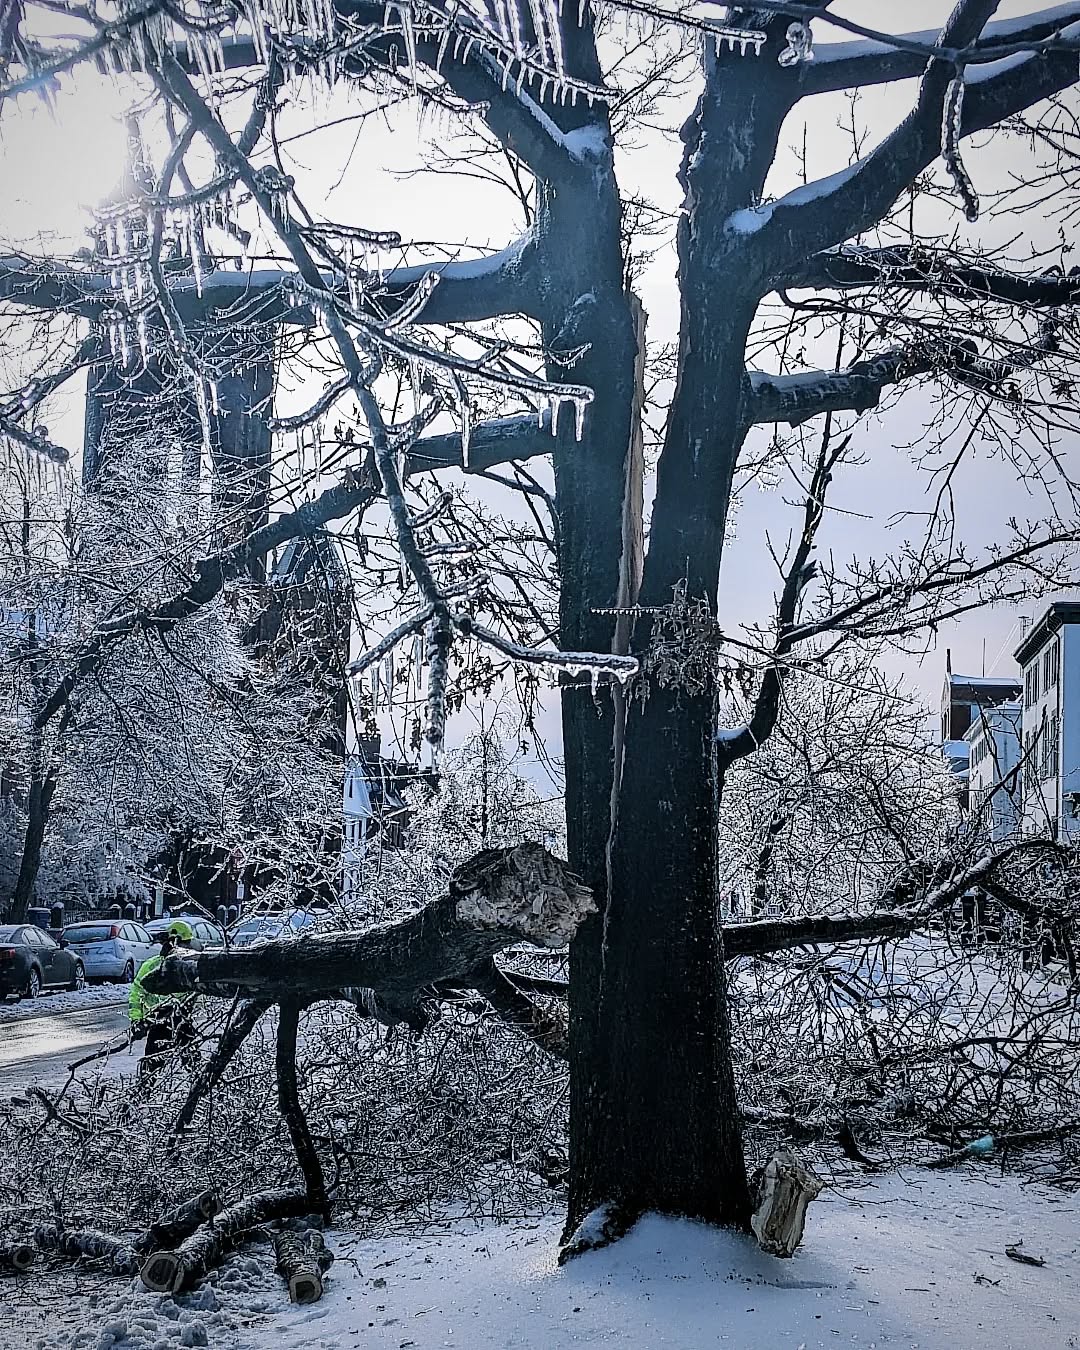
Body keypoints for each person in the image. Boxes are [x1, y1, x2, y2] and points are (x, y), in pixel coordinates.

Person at [129, 920, 198, 1083]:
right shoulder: (153, 966)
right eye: (185, 943)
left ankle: (201, 1091)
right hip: (159, 1023)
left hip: (182, 1021)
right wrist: (137, 1020)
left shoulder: (188, 966)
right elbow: (137, 994)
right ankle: (142, 1094)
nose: (187, 947)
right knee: (150, 1070)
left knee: (195, 1067)